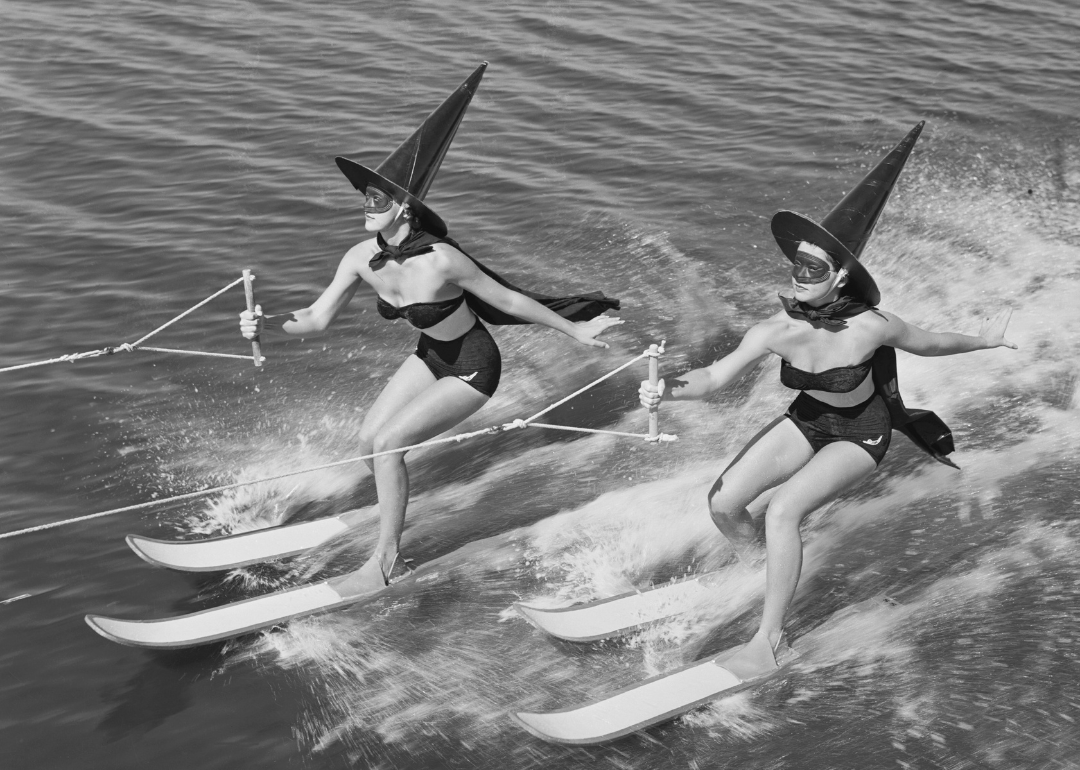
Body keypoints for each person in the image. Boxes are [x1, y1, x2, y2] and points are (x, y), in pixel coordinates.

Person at [638, 122, 1015, 681]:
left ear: (840, 277)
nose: (799, 274)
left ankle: (769, 640)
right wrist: (665, 387)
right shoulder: (776, 329)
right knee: (723, 503)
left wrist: (985, 339)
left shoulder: (872, 327)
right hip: (809, 421)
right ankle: (763, 568)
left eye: (813, 268)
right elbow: (715, 378)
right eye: (796, 264)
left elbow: (933, 344)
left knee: (785, 510)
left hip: (861, 433)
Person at [241, 63, 621, 595]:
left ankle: (386, 560)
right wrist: (268, 324)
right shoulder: (359, 257)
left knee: (391, 443)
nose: (365, 205)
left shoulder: (441, 261)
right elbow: (316, 318)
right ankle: (390, 512)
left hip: (472, 367)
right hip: (430, 355)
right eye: (364, 196)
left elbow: (508, 298)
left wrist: (573, 332)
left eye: (376, 198)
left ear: (403, 206)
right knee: (370, 438)